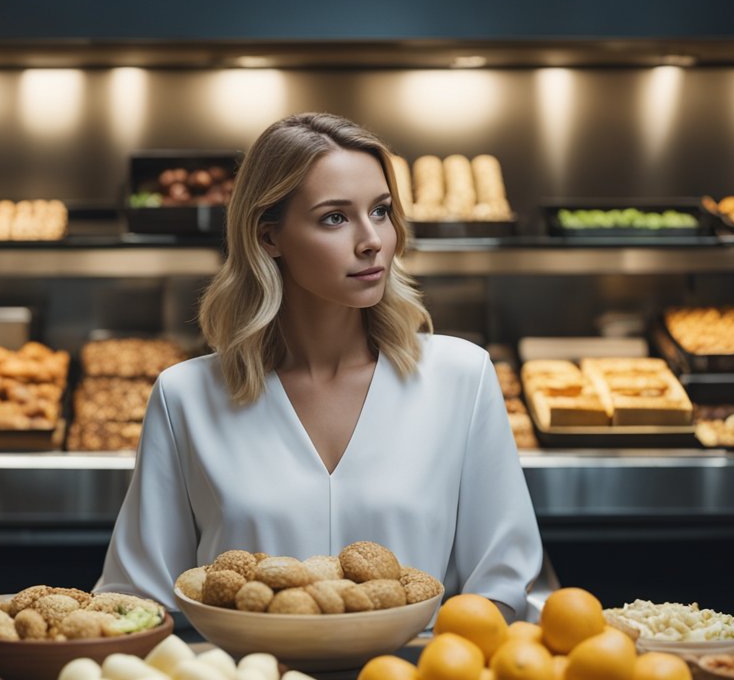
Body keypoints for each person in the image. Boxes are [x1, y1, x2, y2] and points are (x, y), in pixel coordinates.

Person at [95, 112, 542, 621]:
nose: (372, 239)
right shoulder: (187, 397)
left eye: (381, 211)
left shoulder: (462, 377)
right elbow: (139, 600)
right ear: (268, 237)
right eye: (335, 217)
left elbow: (504, 586)